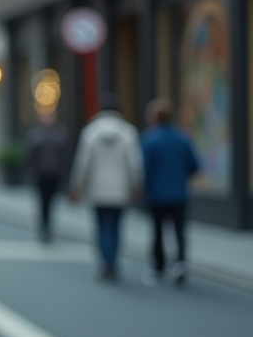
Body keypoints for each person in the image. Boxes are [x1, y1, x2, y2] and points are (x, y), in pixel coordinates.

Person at [69, 93, 143, 281]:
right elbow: (135, 163)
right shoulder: (128, 132)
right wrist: (136, 184)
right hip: (119, 189)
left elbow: (82, 163)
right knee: (116, 227)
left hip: (97, 189)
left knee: (101, 227)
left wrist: (77, 185)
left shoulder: (91, 132)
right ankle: (113, 262)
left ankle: (104, 261)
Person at [140, 98, 201, 286]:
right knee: (179, 231)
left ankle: (159, 266)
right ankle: (180, 263)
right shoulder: (182, 137)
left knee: (157, 231)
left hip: (157, 194)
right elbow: (194, 165)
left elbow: (144, 168)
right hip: (178, 193)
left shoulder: (150, 139)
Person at [24, 109, 71, 242]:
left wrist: (63, 170)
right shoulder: (35, 134)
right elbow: (29, 154)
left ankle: (48, 227)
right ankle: (43, 227)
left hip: (55, 174)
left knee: (52, 202)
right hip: (40, 174)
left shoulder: (60, 133)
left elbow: (66, 154)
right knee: (42, 202)